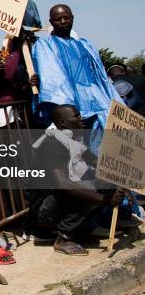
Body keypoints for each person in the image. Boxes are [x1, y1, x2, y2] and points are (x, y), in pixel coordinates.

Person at [28, 104, 125, 255]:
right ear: (62, 123)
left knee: (106, 184)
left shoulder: (73, 142)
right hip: (43, 212)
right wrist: (105, 199)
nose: (81, 119)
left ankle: (82, 230)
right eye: (76, 116)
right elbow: (64, 185)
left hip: (58, 202)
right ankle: (63, 238)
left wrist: (122, 175)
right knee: (85, 190)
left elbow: (99, 164)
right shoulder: (52, 143)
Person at [32, 4, 122, 144]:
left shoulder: (86, 45)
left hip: (98, 101)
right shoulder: (45, 45)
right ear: (51, 22)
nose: (63, 21)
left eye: (66, 17)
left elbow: (101, 77)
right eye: (58, 19)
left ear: (72, 18)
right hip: (73, 104)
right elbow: (52, 78)